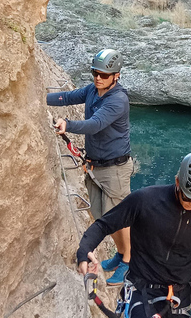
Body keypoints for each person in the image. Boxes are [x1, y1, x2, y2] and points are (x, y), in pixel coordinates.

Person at [77, 151, 191, 317]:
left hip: (179, 294)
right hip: (142, 288)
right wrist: (84, 250)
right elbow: (104, 225)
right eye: (188, 198)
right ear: (177, 182)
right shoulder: (145, 201)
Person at [47, 48, 134, 285]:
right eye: (95, 73)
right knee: (102, 216)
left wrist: (68, 124)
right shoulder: (93, 90)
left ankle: (128, 261)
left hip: (115, 169)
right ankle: (120, 255)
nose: (98, 78)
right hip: (97, 166)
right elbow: (68, 97)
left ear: (116, 76)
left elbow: (95, 124)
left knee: (119, 217)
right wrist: (37, 98)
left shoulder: (118, 100)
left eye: (104, 75)